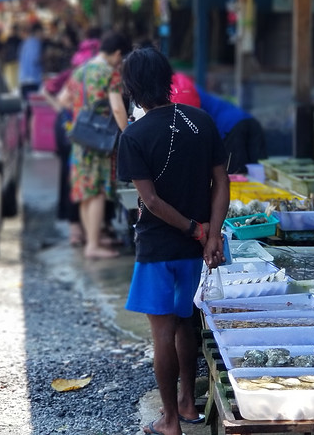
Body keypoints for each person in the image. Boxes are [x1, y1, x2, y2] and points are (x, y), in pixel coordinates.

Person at [116, 46, 228, 435]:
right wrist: (211, 234)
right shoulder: (201, 120)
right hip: (195, 249)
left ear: (131, 87)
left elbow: (149, 201)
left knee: (162, 333)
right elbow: (222, 182)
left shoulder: (134, 136)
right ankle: (187, 403)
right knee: (187, 327)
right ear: (168, 80)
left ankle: (169, 421)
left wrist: (197, 231)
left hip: (158, 247)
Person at [60, 31, 132, 258]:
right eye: (122, 59)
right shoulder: (109, 73)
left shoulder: (81, 70)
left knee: (85, 191)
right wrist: (128, 133)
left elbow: (63, 99)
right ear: (118, 53)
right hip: (100, 141)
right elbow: (118, 107)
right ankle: (93, 245)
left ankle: (93, 239)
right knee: (99, 192)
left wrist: (83, 113)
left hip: (81, 138)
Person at [40, 27, 102, 246]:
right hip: (74, 130)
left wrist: (62, 110)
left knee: (72, 178)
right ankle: (77, 229)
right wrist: (67, 111)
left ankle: (78, 229)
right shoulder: (87, 73)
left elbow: (47, 89)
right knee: (75, 179)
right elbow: (47, 90)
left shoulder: (74, 71)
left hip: (67, 128)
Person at [196, 88, 266, 174]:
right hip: (249, 120)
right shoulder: (194, 91)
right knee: (260, 168)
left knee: (235, 172)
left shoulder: (185, 92)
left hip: (230, 126)